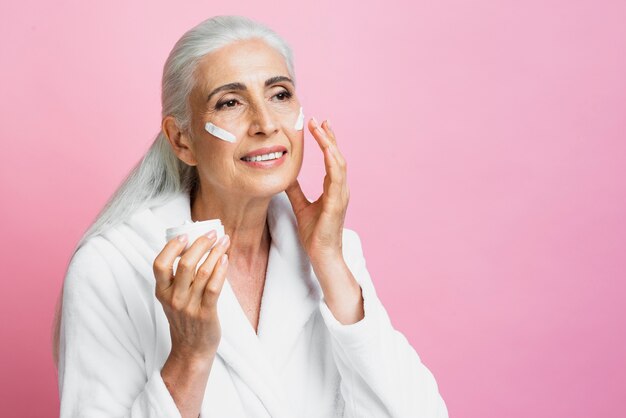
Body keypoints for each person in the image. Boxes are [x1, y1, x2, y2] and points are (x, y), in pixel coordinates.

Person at [52, 15, 448, 418]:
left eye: (279, 94)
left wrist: (331, 265)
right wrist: (189, 357)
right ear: (181, 140)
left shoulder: (335, 254)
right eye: (230, 102)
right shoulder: (108, 269)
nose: (266, 124)